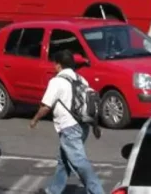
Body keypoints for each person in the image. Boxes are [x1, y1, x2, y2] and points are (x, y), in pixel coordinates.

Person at [30, 49, 104, 194]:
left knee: (79, 163)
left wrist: (34, 120)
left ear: (58, 65)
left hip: (69, 128)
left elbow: (45, 106)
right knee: (64, 161)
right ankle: (53, 190)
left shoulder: (56, 81)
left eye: (54, 64)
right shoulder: (81, 79)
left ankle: (98, 192)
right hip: (83, 126)